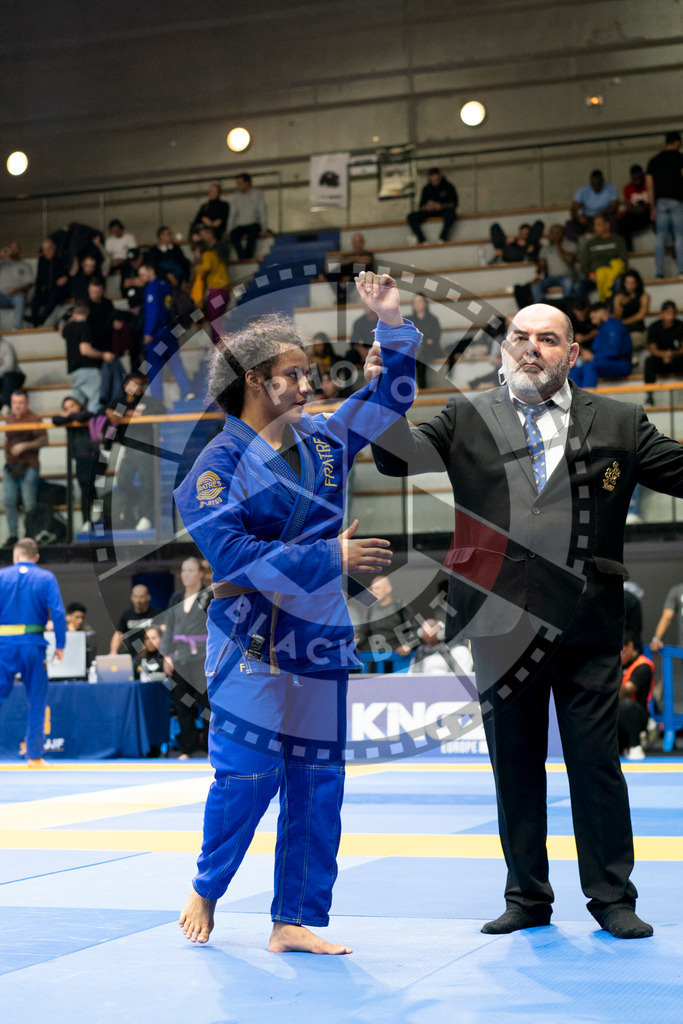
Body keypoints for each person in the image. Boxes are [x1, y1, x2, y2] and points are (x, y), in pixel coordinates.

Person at [368, 300, 683, 939]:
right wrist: (386, 383)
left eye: (547, 338)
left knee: (596, 763)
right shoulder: (465, 416)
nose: (531, 347)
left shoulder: (620, 421)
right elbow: (394, 457)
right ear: (504, 348)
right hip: (496, 619)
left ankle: (612, 897)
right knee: (513, 762)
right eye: (520, 337)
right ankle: (527, 897)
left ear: (572, 353)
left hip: (588, 620)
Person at [173, 270, 419, 953]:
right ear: (256, 382)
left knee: (317, 778)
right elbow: (237, 560)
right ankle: (208, 885)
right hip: (246, 635)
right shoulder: (211, 472)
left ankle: (293, 919)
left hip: (319, 634)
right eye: (294, 374)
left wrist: (391, 324)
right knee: (249, 773)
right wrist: (330, 560)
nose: (308, 385)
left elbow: (390, 399)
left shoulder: (324, 441)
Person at [0, 538, 66, 767]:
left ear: (15, 557)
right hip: (33, 647)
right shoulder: (46, 577)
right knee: (37, 700)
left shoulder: (2, 576)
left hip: (3, 646)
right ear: (36, 557)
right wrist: (61, 644)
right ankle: (35, 756)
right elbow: (57, 613)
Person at [160, 556, 212, 759]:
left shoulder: (209, 596)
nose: (186, 574)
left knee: (207, 703)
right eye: (183, 570)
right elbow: (169, 629)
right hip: (180, 657)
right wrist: (167, 655)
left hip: (203, 656)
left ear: (200, 574)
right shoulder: (175, 598)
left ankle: (210, 747)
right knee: (183, 704)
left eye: (190, 570)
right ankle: (187, 748)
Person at [104, 371, 166, 530]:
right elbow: (106, 412)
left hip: (147, 448)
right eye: (134, 384)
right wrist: (109, 412)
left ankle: (145, 516)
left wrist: (138, 414)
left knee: (148, 483)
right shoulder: (119, 403)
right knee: (123, 482)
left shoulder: (147, 401)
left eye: (140, 385)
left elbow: (161, 409)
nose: (138, 388)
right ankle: (138, 503)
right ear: (126, 386)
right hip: (129, 449)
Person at [139, 259, 194, 401]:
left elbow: (153, 311)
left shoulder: (152, 288)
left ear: (151, 271)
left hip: (157, 332)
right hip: (170, 329)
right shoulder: (166, 286)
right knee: (176, 362)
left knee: (155, 366)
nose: (141, 278)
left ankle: (157, 400)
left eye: (143, 274)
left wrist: (148, 332)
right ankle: (187, 390)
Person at [3, 389, 48, 547]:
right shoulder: (8, 418)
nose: (17, 406)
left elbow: (44, 440)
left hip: (29, 465)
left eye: (21, 403)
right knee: (8, 501)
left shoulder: (34, 418)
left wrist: (25, 445)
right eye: (15, 403)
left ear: (27, 403)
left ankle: (30, 535)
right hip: (10, 466)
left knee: (29, 503)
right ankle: (13, 536)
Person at [52, 396, 98, 529]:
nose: (70, 410)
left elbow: (84, 417)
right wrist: (69, 417)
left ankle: (93, 516)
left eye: (72, 406)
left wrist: (70, 416)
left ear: (79, 405)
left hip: (94, 457)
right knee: (84, 487)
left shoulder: (87, 415)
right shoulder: (69, 419)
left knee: (91, 485)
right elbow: (56, 420)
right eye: (66, 408)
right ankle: (87, 520)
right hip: (79, 458)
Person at [62, 302, 115, 413]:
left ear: (74, 313)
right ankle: (96, 430)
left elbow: (60, 330)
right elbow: (85, 350)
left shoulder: (68, 327)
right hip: (88, 370)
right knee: (95, 405)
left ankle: (79, 431)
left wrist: (71, 318)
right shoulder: (84, 327)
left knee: (77, 408)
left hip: (75, 373)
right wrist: (103, 355)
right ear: (88, 312)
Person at [354, 574, 412, 671]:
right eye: (372, 589)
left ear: (388, 589)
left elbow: (413, 628)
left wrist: (408, 645)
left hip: (397, 659)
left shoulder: (400, 607)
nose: (374, 592)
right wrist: (355, 647)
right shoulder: (370, 610)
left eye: (377, 588)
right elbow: (363, 632)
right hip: (375, 660)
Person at [646, 131, 683, 278]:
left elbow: (649, 185)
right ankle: (681, 270)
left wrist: (652, 207)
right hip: (677, 201)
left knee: (660, 237)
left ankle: (659, 272)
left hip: (661, 202)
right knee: (680, 236)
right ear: (677, 142)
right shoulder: (680, 158)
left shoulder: (654, 160)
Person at [569, 303, 632, 387]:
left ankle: (587, 398)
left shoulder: (613, 326)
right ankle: (576, 398)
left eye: (594, 318)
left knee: (590, 366)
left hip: (620, 363)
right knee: (573, 371)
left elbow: (614, 351)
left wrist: (593, 357)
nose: (593, 321)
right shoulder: (602, 328)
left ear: (601, 313)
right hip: (604, 362)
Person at [189, 230, 230, 343]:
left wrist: (195, 268)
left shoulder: (207, 254)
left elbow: (206, 267)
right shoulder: (215, 254)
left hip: (217, 291)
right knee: (218, 322)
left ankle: (219, 350)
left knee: (215, 322)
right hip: (225, 291)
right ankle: (222, 348)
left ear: (197, 250)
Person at [619, 633, 654, 761]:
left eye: (622, 650)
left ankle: (636, 745)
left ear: (630, 645)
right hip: (615, 718)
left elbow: (626, 691)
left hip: (638, 716)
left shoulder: (643, 665)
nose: (620, 654)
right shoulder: (619, 663)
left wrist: (610, 674)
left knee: (624, 704)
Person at [579, 213, 628, 302]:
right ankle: (587, 312)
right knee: (578, 286)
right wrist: (591, 275)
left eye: (598, 225)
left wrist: (612, 274)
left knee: (618, 282)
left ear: (607, 225)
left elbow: (623, 260)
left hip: (614, 274)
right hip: (595, 276)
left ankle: (613, 312)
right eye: (594, 225)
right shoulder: (591, 244)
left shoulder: (618, 240)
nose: (595, 228)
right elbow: (584, 266)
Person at [643, 301, 683, 406]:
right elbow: (653, 349)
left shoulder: (681, 326)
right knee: (649, 362)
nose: (671, 316)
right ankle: (650, 396)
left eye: (673, 313)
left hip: (677, 359)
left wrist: (672, 354)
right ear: (661, 314)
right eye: (668, 313)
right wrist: (664, 355)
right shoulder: (654, 327)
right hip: (660, 360)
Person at [407, 168, 458, 244]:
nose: (434, 182)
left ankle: (443, 238)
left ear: (440, 177)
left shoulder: (448, 187)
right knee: (411, 217)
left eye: (436, 180)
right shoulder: (426, 188)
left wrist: (442, 206)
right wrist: (427, 207)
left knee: (452, 213)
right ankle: (422, 240)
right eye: (432, 180)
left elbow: (454, 203)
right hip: (429, 211)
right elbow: (421, 206)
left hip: (443, 210)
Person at [530, 225, 578, 304]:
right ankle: (541, 309)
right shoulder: (545, 249)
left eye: (557, 233)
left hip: (567, 276)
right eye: (552, 233)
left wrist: (558, 246)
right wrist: (537, 276)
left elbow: (570, 260)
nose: (554, 235)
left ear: (563, 234)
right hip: (551, 278)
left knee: (568, 282)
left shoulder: (570, 245)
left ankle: (567, 307)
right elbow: (541, 264)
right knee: (535, 286)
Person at [109, 583, 161, 656]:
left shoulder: (157, 613)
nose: (138, 600)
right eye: (136, 597)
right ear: (131, 597)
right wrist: (113, 651)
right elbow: (118, 633)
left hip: (154, 655)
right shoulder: (127, 615)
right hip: (133, 655)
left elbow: (165, 632)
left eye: (141, 597)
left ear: (148, 597)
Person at [566, 169, 619, 240]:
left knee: (614, 222)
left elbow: (614, 207)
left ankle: (611, 242)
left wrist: (604, 213)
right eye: (594, 184)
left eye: (598, 183)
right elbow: (574, 209)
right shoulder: (583, 190)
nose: (596, 186)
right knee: (570, 225)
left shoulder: (611, 188)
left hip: (604, 215)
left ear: (602, 181)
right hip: (588, 217)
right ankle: (578, 246)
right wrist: (579, 217)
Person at [227, 173, 270, 259]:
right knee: (233, 235)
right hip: (241, 226)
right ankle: (243, 258)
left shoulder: (258, 194)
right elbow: (232, 214)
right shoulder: (236, 196)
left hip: (253, 224)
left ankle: (247, 258)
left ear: (247, 183)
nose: (238, 186)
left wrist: (264, 229)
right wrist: (229, 231)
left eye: (240, 183)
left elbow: (262, 212)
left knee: (252, 236)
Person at [408, 619, 474, 676]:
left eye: (431, 639)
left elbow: (463, 679)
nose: (429, 645)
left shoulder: (457, 652)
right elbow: (412, 678)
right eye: (426, 638)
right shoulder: (419, 654)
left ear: (440, 634)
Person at [325, 233, 375, 304]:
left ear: (363, 243)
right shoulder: (349, 255)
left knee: (356, 274)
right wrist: (355, 259)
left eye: (358, 242)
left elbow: (367, 261)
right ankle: (341, 295)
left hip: (359, 274)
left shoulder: (368, 254)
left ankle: (344, 296)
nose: (356, 244)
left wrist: (352, 259)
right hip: (349, 273)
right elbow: (340, 262)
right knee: (330, 275)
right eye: (354, 242)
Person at [29, 238, 70, 326]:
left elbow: (71, 275)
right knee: (36, 298)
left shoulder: (62, 258)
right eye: (44, 250)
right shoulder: (42, 260)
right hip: (48, 290)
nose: (47, 252)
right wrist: (38, 293)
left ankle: (40, 320)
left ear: (54, 247)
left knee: (54, 296)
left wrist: (66, 278)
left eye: (49, 249)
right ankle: (34, 319)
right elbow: (39, 280)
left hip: (61, 291)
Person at [612, 269, 651, 355]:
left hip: (638, 330)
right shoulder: (618, 297)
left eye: (632, 283)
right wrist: (620, 305)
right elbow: (617, 316)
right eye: (627, 283)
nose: (629, 286)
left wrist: (624, 322)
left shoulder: (644, 296)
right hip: (622, 331)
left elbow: (641, 315)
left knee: (624, 342)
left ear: (637, 283)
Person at [411, 293, 443, 389]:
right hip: (416, 350)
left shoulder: (433, 320)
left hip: (430, 350)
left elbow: (435, 339)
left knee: (422, 351)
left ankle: (422, 388)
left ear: (425, 303)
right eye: (415, 302)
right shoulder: (410, 320)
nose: (417, 304)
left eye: (419, 301)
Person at [616, 165, 651, 251]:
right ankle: (628, 249)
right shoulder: (627, 188)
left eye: (638, 178)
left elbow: (653, 203)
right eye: (634, 179)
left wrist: (645, 206)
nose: (637, 181)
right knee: (622, 223)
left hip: (649, 213)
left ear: (642, 176)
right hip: (636, 214)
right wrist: (638, 209)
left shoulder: (649, 185)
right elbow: (629, 206)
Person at [0, 244, 32, 329]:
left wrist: (18, 290)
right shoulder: (3, 263)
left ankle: (16, 327)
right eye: (12, 248)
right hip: (2, 295)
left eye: (16, 248)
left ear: (19, 250)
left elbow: (29, 284)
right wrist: (1, 255)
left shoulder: (25, 265)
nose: (14, 250)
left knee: (20, 298)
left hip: (16, 294)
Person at [0, 333, 26, 414]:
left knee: (7, 376)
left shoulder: (6, 346)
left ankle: (6, 406)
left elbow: (9, 367)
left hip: (15, 376)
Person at [65, 600, 97, 665]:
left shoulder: (87, 630)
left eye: (82, 618)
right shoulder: (61, 630)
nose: (80, 621)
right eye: (77, 617)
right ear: (68, 617)